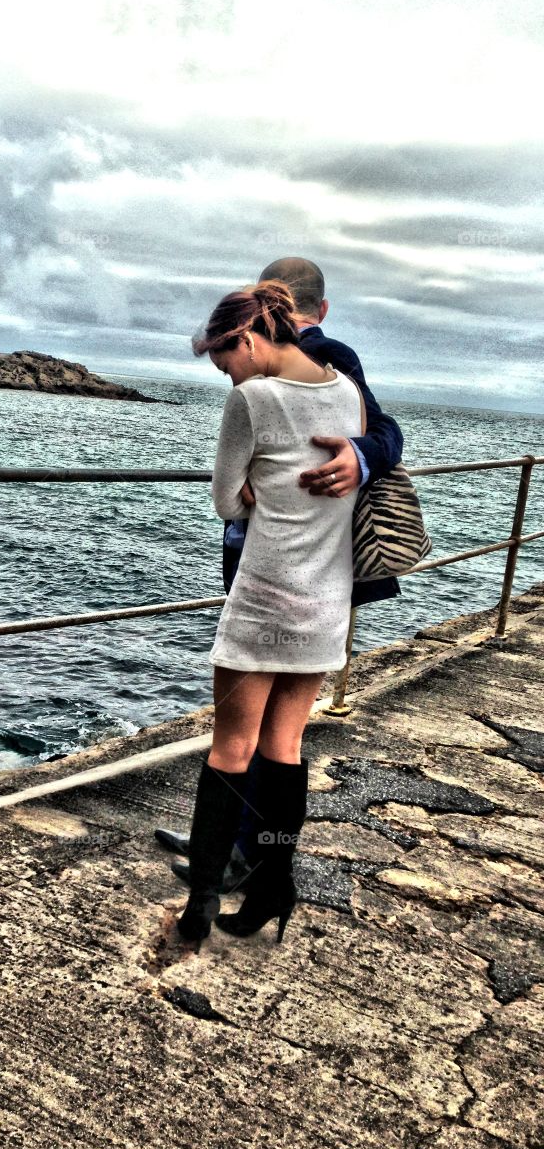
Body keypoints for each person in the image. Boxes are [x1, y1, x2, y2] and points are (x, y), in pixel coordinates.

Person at [156, 258, 404, 894]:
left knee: (241, 738)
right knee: (277, 737)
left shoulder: (318, 365)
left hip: (278, 571)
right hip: (304, 576)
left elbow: (386, 432)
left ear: (299, 315)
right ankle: (256, 864)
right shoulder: (310, 377)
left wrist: (360, 456)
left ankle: (231, 860)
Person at [176, 279, 367, 946]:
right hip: (325, 603)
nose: (226, 376)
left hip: (263, 597)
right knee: (285, 748)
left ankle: (199, 903)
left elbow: (227, 501)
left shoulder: (252, 399)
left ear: (249, 339)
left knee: (230, 749)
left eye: (224, 361)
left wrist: (260, 489)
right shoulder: (346, 392)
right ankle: (272, 887)